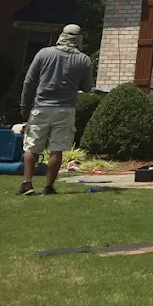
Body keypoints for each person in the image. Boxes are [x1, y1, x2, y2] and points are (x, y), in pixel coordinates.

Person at [19, 24, 94, 195]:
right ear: (78, 39)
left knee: (32, 147)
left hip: (41, 107)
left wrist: (25, 104)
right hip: (65, 109)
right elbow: (88, 88)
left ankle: (27, 184)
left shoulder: (44, 53)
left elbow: (29, 81)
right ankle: (49, 186)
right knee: (56, 148)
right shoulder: (84, 60)